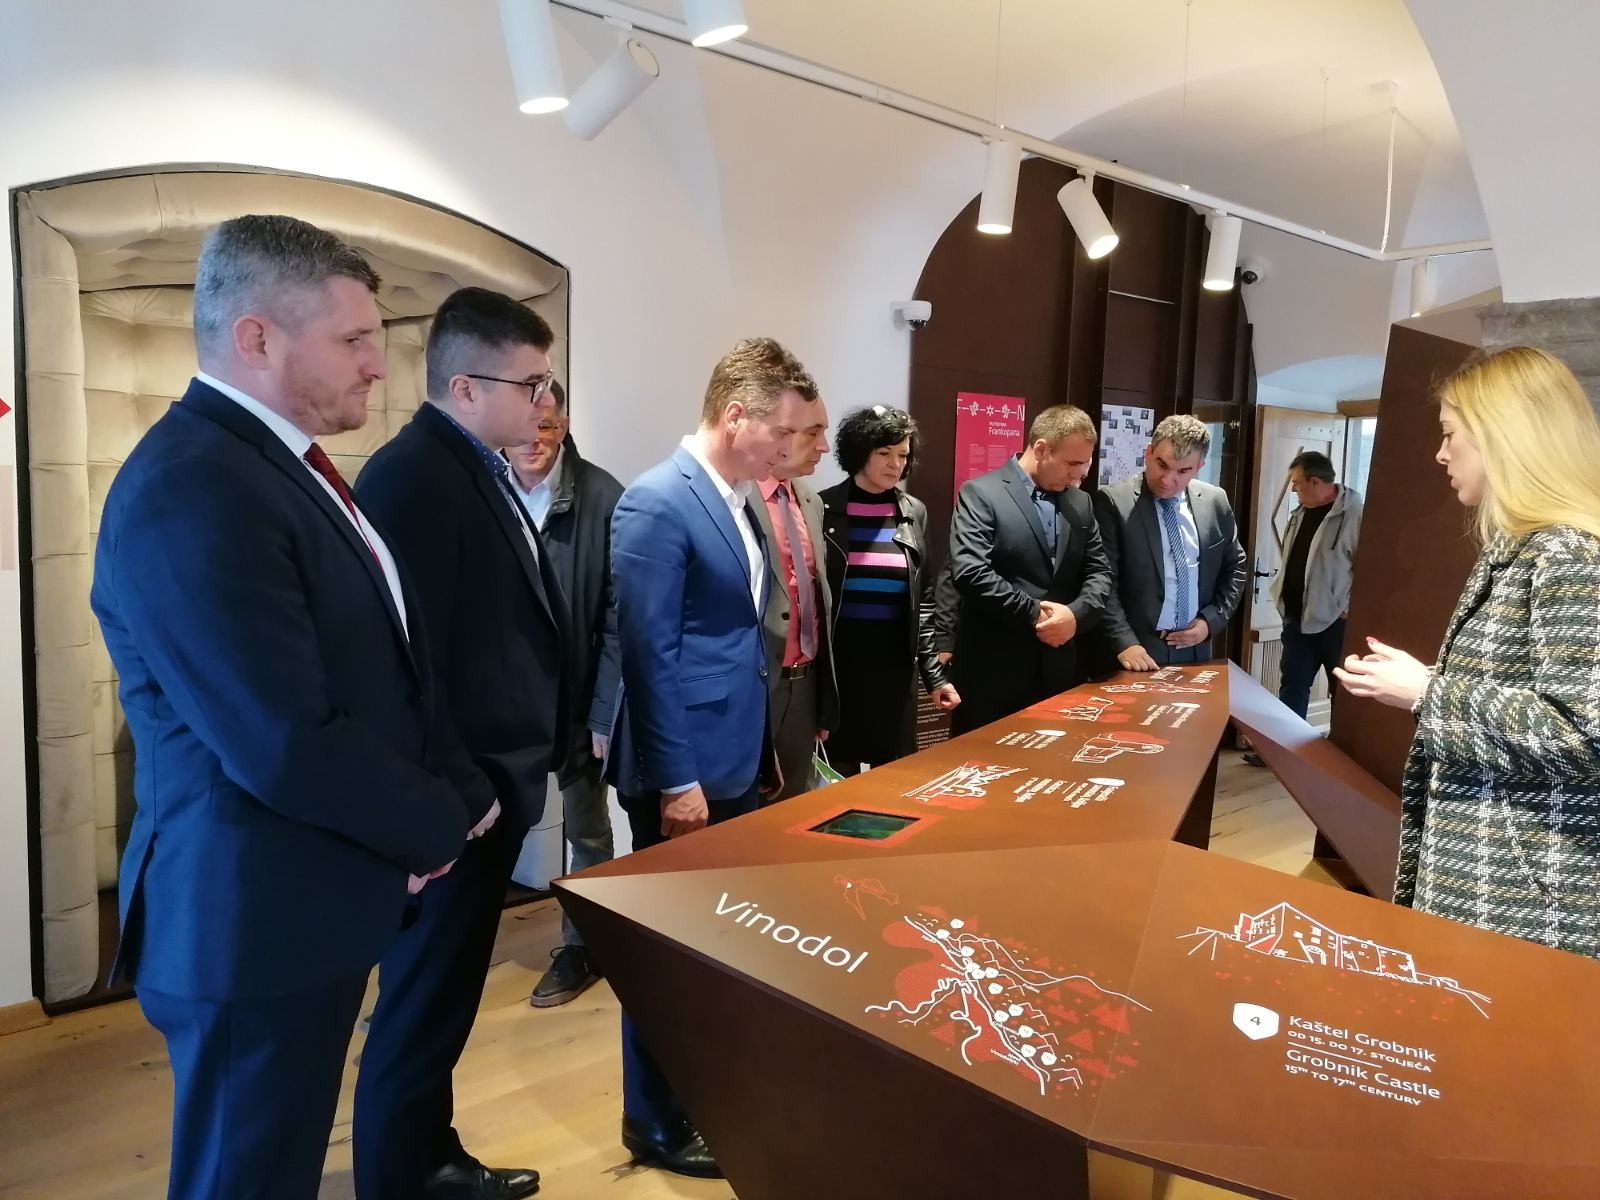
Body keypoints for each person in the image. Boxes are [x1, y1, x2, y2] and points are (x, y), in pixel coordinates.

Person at [89, 215, 488, 1200]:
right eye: (353, 340)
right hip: (247, 919)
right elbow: (282, 740)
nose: (377, 366)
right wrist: (437, 825)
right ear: (257, 337)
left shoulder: (275, 466)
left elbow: (380, 666)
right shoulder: (194, 483)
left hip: (297, 901)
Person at [354, 286, 567, 1199]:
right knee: (421, 1001)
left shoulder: (470, 466)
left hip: (485, 786)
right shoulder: (414, 477)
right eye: (531, 384)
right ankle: (402, 1177)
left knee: (442, 1000)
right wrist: (463, 793)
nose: (545, 402)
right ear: (467, 386)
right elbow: (404, 661)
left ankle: (428, 1157)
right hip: (460, 801)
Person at [607, 336, 820, 1177]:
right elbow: (647, 654)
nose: (790, 449)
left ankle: (696, 1096)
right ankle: (655, 1122)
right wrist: (677, 779)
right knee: (669, 954)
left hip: (733, 753)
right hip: (685, 768)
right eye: (782, 431)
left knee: (708, 947)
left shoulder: (735, 498)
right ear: (736, 416)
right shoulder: (658, 502)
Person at [1336, 346, 1600, 958]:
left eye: (1451, 434)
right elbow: (1536, 693)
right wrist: (1424, 679)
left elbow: (1584, 735)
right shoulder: (1521, 548)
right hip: (1496, 873)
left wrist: (1428, 692)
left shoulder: (1568, 556)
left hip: (1528, 895)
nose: (1440, 453)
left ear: (1504, 436)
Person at [503, 380, 626, 1007]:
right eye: (524, 428)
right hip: (504, 704)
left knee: (589, 831)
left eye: (548, 427)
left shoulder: (603, 496)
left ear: (565, 425)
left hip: (578, 701)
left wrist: (604, 710)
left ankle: (586, 946)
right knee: (489, 829)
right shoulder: (485, 491)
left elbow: (619, 616)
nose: (535, 441)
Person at [947, 404, 1112, 734]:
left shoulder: (1080, 502)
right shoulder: (981, 493)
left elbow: (1100, 572)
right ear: (1041, 449)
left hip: (1061, 673)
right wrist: (1035, 613)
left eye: (1086, 465)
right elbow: (970, 572)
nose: (1079, 476)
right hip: (993, 673)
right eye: (1073, 464)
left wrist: (1075, 616)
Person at [818, 406, 959, 768]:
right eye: (884, 453)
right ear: (859, 451)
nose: (896, 464)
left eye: (903, 455)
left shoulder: (913, 512)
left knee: (893, 773)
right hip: (838, 669)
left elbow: (923, 602)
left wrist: (934, 677)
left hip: (893, 670)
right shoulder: (822, 507)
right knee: (835, 775)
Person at [1093, 413, 1247, 670]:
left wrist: (1210, 622)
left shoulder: (1215, 501)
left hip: (1195, 649)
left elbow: (1235, 568)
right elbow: (1103, 580)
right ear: (1148, 453)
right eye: (1161, 465)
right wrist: (1124, 642)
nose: (1167, 480)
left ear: (1199, 466)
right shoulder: (1114, 502)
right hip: (1135, 650)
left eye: (1183, 471)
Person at [751, 392, 840, 801]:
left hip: (804, 687)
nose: (824, 447)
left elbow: (816, 600)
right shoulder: (738, 498)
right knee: (740, 818)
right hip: (754, 687)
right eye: (813, 433)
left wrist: (822, 700)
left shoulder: (811, 501)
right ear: (780, 432)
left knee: (791, 815)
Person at [1268, 451, 1362, 716]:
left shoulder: (1355, 515)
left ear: (1316, 482)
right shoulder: (1299, 513)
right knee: (1292, 688)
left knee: (1342, 691)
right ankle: (1287, 742)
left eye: (1297, 482)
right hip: (1296, 621)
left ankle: (1339, 743)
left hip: (1336, 624)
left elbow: (1368, 569)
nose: (1292, 488)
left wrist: (1346, 608)